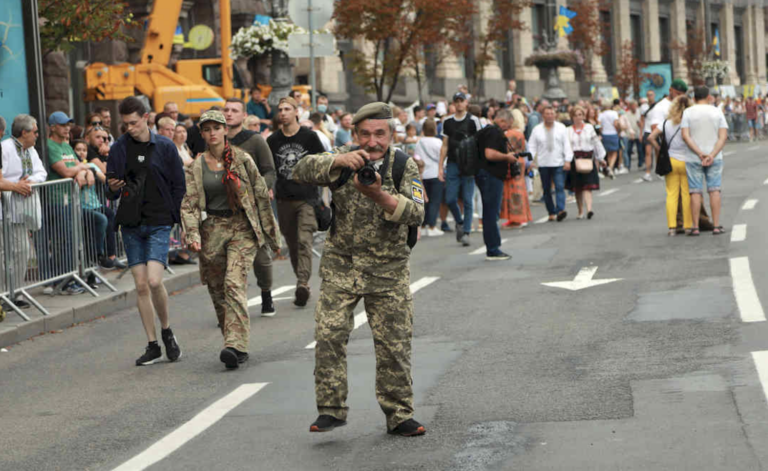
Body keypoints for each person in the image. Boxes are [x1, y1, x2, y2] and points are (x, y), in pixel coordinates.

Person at [291, 101, 427, 437]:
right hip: (342, 266)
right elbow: (300, 170)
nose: (372, 141)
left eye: (379, 134)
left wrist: (380, 195)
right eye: (365, 134)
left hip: (388, 270)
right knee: (329, 336)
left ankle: (399, 415)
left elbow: (417, 213)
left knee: (394, 345)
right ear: (355, 134)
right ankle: (331, 409)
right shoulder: (343, 159)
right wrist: (337, 160)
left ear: (391, 134)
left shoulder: (402, 165)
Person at [180, 110, 281, 368]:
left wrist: (271, 235)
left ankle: (235, 345)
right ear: (202, 133)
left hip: (241, 227)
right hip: (212, 228)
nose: (212, 132)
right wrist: (192, 234)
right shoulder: (197, 166)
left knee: (234, 283)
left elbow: (260, 195)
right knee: (217, 288)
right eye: (207, 128)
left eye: (217, 127)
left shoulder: (242, 159)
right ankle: (232, 338)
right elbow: (190, 204)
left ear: (226, 130)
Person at [106, 96, 184, 366]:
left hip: (159, 221)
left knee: (154, 281)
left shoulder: (164, 146)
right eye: (125, 124)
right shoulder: (119, 148)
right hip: (131, 223)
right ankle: (152, 344)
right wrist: (113, 187)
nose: (130, 128)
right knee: (140, 285)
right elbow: (109, 185)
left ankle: (167, 330)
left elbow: (178, 184)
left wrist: (176, 216)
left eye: (134, 123)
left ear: (147, 118)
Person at [223, 97, 279, 316]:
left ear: (244, 115)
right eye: (226, 110)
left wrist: (257, 190)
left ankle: (266, 293)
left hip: (252, 208)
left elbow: (269, 170)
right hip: (224, 209)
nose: (229, 114)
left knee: (261, 259)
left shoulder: (255, 140)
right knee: (228, 261)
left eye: (234, 110)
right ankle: (230, 306)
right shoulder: (215, 140)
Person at [268, 97, 325, 306]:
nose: (283, 113)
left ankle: (302, 283)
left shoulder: (309, 137)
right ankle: (302, 280)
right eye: (280, 109)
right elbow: (268, 168)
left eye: (287, 109)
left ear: (296, 112)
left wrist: (323, 190)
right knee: (292, 244)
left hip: (307, 198)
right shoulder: (273, 141)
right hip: (284, 199)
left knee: (304, 240)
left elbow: (323, 162)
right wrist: (267, 187)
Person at [0, 115, 47, 307]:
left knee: (22, 250)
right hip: (3, 209)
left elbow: (41, 173)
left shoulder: (32, 150)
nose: (37, 135)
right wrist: (15, 186)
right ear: (25, 132)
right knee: (3, 254)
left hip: (20, 211)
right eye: (35, 132)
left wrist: (29, 183)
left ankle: (16, 292)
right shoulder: (5, 148)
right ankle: (3, 294)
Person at [681, 86, 729, 236]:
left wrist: (700, 153)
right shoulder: (717, 111)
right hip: (714, 156)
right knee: (714, 190)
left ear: (694, 98)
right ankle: (715, 225)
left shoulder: (688, 112)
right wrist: (712, 154)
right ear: (709, 97)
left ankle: (695, 227)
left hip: (693, 157)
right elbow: (723, 136)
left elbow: (685, 136)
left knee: (695, 192)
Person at [475, 108, 519, 260]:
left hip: (486, 175)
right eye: (508, 125)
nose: (508, 128)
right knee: (491, 213)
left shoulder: (487, 130)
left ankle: (493, 247)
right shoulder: (494, 132)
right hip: (490, 176)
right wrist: (507, 157)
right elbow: (490, 154)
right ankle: (493, 249)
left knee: (490, 212)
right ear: (501, 120)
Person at [439, 92, 481, 246]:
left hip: (469, 164)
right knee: (450, 198)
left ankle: (466, 232)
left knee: (468, 199)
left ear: (466, 103)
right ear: (453, 104)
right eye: (456, 101)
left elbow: (479, 144)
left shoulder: (473, 120)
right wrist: (440, 167)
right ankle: (460, 222)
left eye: (461, 101)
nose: (458, 104)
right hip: (453, 164)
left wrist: (480, 165)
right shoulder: (447, 122)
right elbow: (444, 144)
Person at [648, 95, 694, 236]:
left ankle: (672, 227)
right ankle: (688, 226)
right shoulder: (690, 122)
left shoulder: (666, 123)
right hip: (687, 160)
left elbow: (650, 137)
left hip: (671, 160)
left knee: (671, 195)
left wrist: (660, 148)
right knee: (686, 194)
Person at [528, 107, 573, 222]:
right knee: (547, 189)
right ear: (543, 115)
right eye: (547, 113)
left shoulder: (561, 128)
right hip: (543, 163)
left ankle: (560, 210)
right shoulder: (537, 129)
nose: (550, 116)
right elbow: (532, 146)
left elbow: (566, 145)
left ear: (555, 115)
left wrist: (568, 160)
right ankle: (551, 212)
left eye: (552, 113)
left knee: (559, 186)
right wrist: (530, 160)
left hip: (558, 162)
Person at [566, 106, 606, 220]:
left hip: (588, 158)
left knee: (587, 187)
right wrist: (567, 160)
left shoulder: (589, 128)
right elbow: (567, 146)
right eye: (576, 115)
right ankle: (580, 211)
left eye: (580, 115)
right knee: (578, 188)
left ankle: (589, 209)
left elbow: (596, 143)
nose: (578, 117)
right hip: (575, 160)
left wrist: (601, 157)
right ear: (572, 117)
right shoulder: (568, 130)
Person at [643, 80, 687, 181]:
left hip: (687, 152)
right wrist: (660, 149)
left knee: (688, 190)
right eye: (677, 93)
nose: (679, 97)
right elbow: (654, 129)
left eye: (682, 94)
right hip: (672, 153)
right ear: (670, 90)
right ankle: (649, 172)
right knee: (674, 189)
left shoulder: (685, 103)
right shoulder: (660, 107)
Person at [500, 108, 532, 228]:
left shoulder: (508, 134)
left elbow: (505, 149)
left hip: (511, 160)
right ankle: (520, 216)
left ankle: (515, 218)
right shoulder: (520, 133)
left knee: (512, 189)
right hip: (520, 160)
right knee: (520, 188)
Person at [414, 119, 443, 236]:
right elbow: (443, 158)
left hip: (422, 174)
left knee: (423, 201)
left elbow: (416, 157)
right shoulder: (438, 142)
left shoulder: (419, 142)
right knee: (435, 201)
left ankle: (424, 225)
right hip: (436, 173)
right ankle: (432, 226)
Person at [598, 99, 621, 178]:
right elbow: (616, 124)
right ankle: (610, 167)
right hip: (613, 133)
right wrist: (618, 131)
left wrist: (601, 131)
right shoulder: (614, 113)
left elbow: (599, 125)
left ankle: (609, 167)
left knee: (608, 152)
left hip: (605, 134)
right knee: (614, 152)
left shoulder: (601, 114)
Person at [624, 100, 643, 172]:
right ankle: (628, 165)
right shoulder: (627, 114)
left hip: (638, 133)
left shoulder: (639, 113)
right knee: (628, 150)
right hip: (630, 134)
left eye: (635, 106)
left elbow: (641, 124)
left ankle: (640, 163)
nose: (633, 107)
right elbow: (627, 123)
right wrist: (630, 132)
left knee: (640, 150)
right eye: (632, 106)